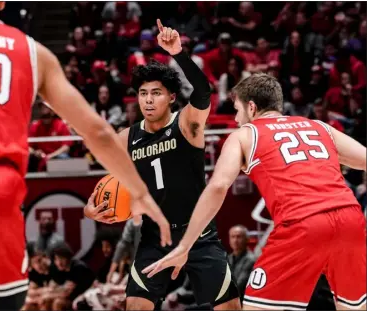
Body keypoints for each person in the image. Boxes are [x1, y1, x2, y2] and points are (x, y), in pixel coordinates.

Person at [0, 2, 171, 310]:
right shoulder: (33, 52)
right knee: (6, 304)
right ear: (1, 2)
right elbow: (99, 133)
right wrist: (140, 191)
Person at [143, 73, 366, 310]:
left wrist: (184, 246)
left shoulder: (245, 134)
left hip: (303, 223)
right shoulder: (319, 127)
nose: (237, 118)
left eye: (237, 110)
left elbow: (218, 186)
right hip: (351, 219)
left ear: (251, 107)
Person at [85, 20, 241, 310]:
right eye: (143, 94)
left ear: (171, 97)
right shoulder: (126, 138)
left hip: (199, 235)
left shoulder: (186, 123)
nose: (148, 100)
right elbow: (105, 187)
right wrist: (89, 209)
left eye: (155, 93)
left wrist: (178, 54)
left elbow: (203, 91)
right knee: (135, 306)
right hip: (155, 238)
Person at [227, 225, 255, 299]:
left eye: (238, 237)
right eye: (232, 237)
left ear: (247, 239)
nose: (235, 240)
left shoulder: (251, 260)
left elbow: (239, 286)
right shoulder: (227, 258)